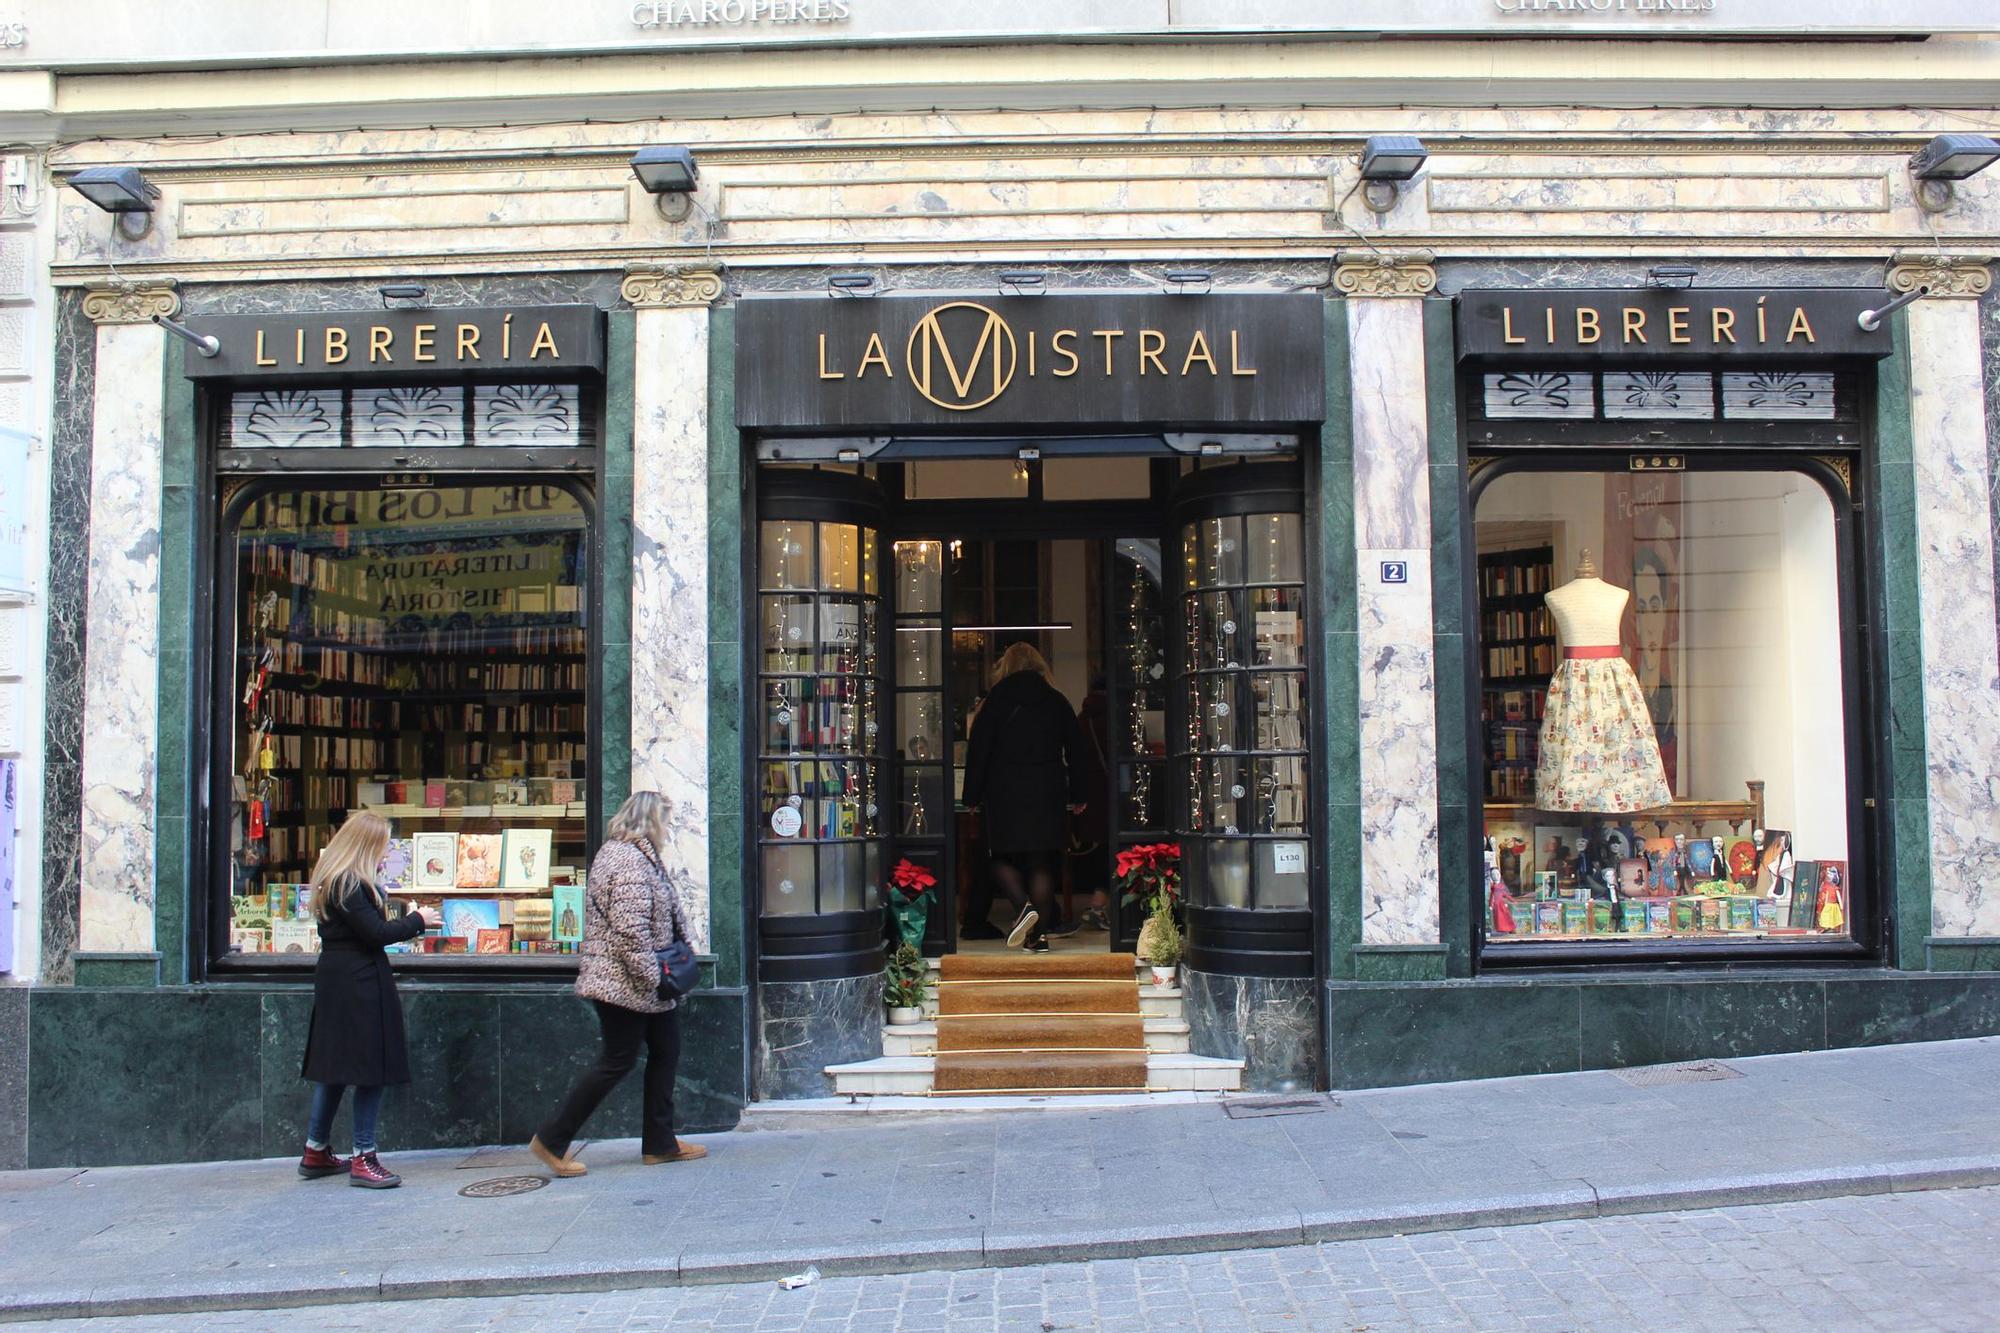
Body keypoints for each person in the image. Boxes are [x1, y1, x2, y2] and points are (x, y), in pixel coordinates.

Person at [530, 791, 703, 1177]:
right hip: (623, 983)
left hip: (641, 981)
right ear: (650, 821)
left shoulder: (638, 855)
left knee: (666, 1049)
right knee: (617, 1060)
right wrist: (655, 978)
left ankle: (660, 1142)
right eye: (666, 821)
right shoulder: (626, 860)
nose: (669, 829)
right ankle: (552, 1139)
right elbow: (630, 930)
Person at [297, 811, 428, 1189]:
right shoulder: (351, 884)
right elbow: (376, 933)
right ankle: (364, 1155)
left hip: (338, 976)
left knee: (334, 1066)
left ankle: (315, 1148)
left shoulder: (334, 880)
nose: (387, 853)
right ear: (366, 845)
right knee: (373, 1065)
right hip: (360, 980)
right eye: (383, 846)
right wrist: (418, 919)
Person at [961, 643, 1087, 953]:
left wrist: (972, 796)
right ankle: (1038, 936)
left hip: (1004, 790)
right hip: (1048, 789)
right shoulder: (1056, 700)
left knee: (997, 857)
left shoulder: (994, 702)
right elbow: (1077, 750)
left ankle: (1023, 906)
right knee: (1041, 861)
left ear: (1006, 667)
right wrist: (1079, 793)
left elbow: (979, 752)